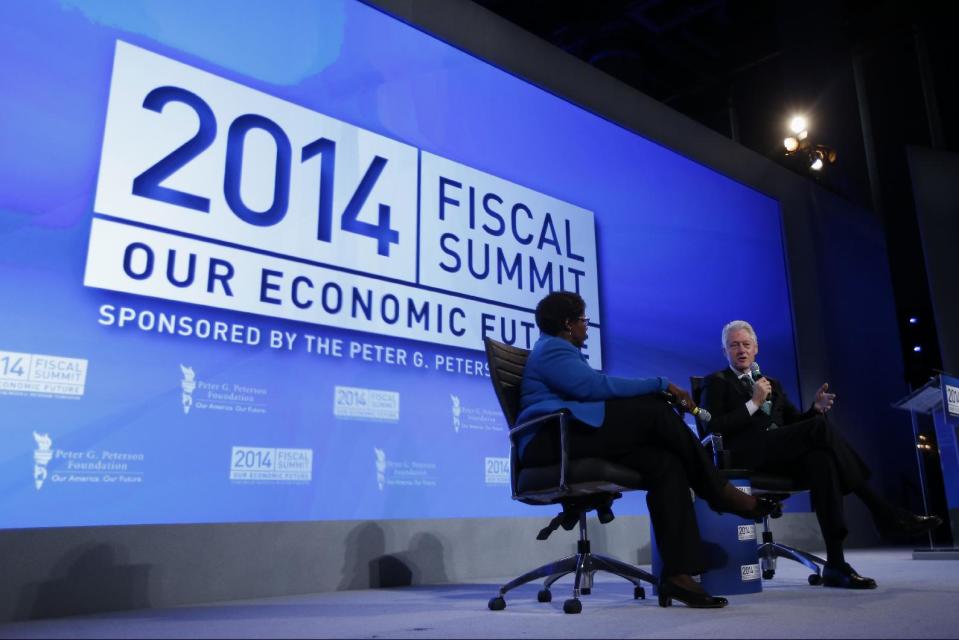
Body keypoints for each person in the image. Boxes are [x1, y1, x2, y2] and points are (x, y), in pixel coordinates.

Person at [516, 292, 779, 609]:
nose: (587, 327)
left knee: (665, 464)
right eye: (584, 321)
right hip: (552, 440)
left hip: (572, 433)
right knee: (655, 410)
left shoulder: (559, 351)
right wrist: (662, 384)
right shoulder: (553, 349)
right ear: (568, 324)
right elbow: (594, 388)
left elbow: (592, 390)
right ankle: (718, 490)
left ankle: (678, 576)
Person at [701, 320, 942, 589]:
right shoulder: (716, 382)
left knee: (822, 460)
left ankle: (836, 564)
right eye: (734, 345)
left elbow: (794, 425)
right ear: (725, 352)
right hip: (746, 456)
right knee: (818, 431)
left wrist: (814, 410)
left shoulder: (772, 384)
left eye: (746, 344)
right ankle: (884, 512)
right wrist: (754, 403)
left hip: (779, 455)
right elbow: (712, 426)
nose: (741, 350)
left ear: (756, 349)